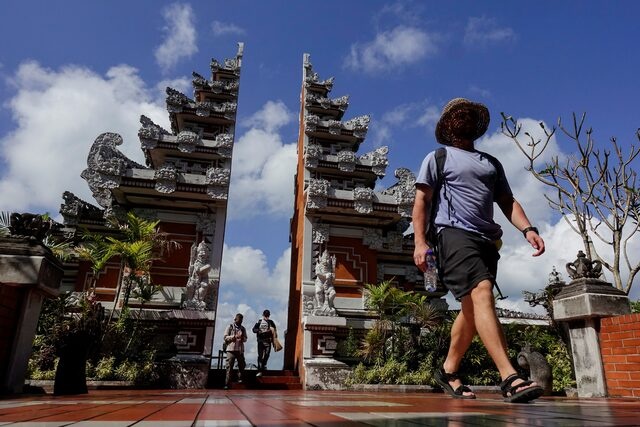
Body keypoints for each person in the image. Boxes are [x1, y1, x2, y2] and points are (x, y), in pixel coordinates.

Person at [412, 98, 545, 403]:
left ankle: (448, 370)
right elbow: (421, 201)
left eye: (469, 115)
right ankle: (509, 377)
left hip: (488, 240)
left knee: (472, 309)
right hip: (452, 234)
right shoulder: (438, 158)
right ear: (448, 124)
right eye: (458, 115)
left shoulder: (491, 163)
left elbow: (508, 202)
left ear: (476, 125)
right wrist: (420, 242)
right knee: (482, 291)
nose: (464, 118)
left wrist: (528, 228)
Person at [223, 313, 247, 390]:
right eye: (239, 320)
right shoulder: (230, 327)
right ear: (235, 319)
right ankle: (227, 383)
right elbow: (225, 337)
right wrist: (233, 337)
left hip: (240, 350)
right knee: (229, 367)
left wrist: (242, 338)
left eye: (241, 320)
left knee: (242, 365)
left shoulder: (243, 328)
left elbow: (246, 339)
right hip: (231, 350)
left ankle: (240, 379)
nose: (240, 321)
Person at [252, 309, 277, 377]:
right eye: (265, 315)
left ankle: (263, 365)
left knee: (267, 354)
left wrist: (271, 332)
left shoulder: (271, 322)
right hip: (260, 341)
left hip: (268, 341)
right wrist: (258, 330)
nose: (266, 317)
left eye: (268, 316)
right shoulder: (259, 321)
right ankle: (260, 370)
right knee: (260, 355)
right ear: (263, 315)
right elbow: (253, 329)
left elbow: (275, 330)